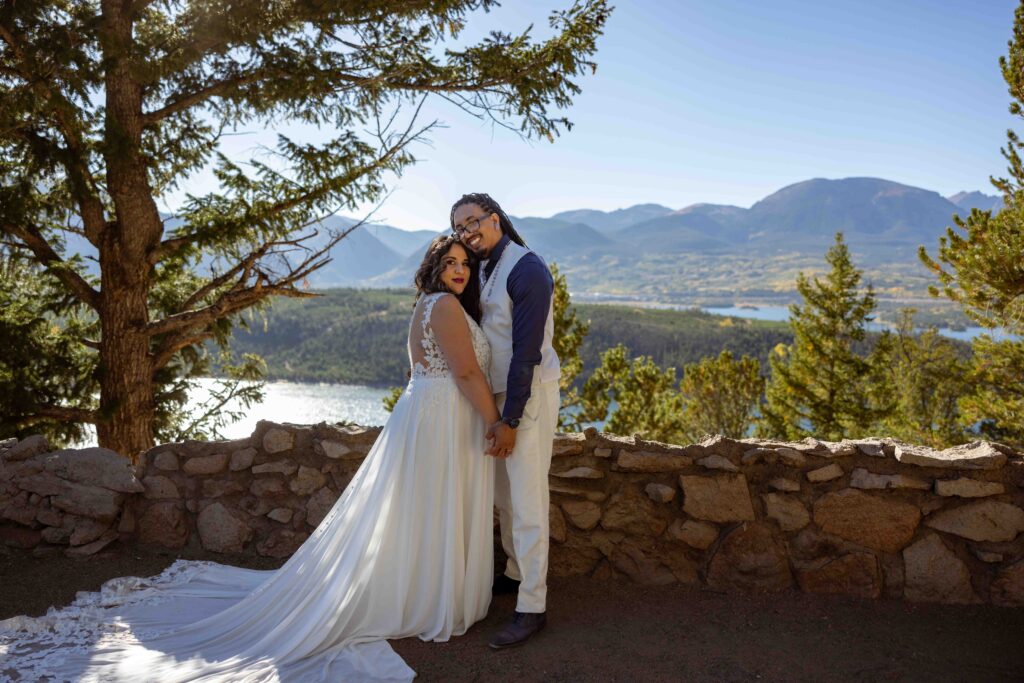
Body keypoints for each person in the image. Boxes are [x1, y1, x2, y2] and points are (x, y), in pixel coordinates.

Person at [0, 236, 501, 682]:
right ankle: (427, 596)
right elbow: (466, 375)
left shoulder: (425, 305)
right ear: (434, 268)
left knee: (420, 510)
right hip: (440, 418)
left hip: (424, 415)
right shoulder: (446, 308)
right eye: (449, 262)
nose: (458, 270)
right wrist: (496, 421)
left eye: (464, 263)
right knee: (434, 506)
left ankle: (418, 587)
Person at [450, 193, 561, 650]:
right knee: (504, 496)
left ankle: (533, 605)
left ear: (494, 219)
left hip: (527, 393)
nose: (466, 232)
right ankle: (516, 574)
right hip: (495, 398)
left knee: (529, 500)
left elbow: (527, 354)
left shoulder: (527, 269)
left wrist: (511, 417)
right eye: (459, 227)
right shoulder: (482, 266)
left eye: (472, 222)